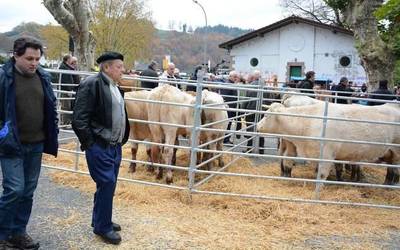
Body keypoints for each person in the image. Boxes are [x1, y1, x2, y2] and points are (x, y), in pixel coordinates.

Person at [0, 37, 58, 250]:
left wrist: (52, 130)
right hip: (11, 145)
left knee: (28, 190)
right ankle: (2, 234)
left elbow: (50, 106)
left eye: (37, 58)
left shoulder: (43, 76)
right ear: (15, 55)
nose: (34, 63)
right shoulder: (3, 77)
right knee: (14, 189)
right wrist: (3, 134)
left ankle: (18, 232)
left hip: (36, 144)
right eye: (29, 58)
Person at [72, 51, 130, 245]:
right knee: (106, 183)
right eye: (119, 67)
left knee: (108, 185)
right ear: (106, 67)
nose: (123, 70)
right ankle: (102, 227)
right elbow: (79, 119)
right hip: (100, 144)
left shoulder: (114, 86)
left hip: (114, 145)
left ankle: (102, 220)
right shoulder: (91, 84)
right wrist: (90, 144)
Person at [58, 54, 80, 125]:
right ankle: (64, 123)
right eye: (71, 59)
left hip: (69, 90)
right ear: (68, 60)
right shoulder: (64, 68)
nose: (72, 61)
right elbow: (65, 80)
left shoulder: (67, 67)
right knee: (65, 107)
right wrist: (69, 89)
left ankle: (66, 122)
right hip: (66, 90)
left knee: (68, 106)